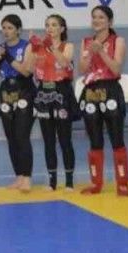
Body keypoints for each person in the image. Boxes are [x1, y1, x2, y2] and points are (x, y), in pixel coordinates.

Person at [77, 6, 128, 196]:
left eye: (101, 17)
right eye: (94, 17)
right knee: (95, 140)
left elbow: (116, 69)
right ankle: (96, 183)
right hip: (91, 92)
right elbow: (82, 69)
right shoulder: (86, 42)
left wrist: (101, 51)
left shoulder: (118, 41)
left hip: (110, 91)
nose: (97, 20)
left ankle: (122, 183)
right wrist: (91, 52)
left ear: (110, 21)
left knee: (117, 139)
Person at [28, 14, 77, 191]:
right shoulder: (39, 47)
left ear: (62, 29)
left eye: (54, 25)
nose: (50, 28)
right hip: (43, 93)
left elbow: (64, 62)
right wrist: (32, 49)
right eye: (47, 25)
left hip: (61, 92)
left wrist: (51, 48)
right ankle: (52, 181)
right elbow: (29, 69)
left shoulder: (68, 46)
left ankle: (69, 181)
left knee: (65, 139)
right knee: (48, 140)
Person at [0, 14, 33, 192]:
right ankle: (19, 176)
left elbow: (26, 71)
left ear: (18, 30)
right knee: (11, 137)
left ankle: (27, 177)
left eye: (10, 28)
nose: (6, 31)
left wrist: (8, 57)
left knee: (22, 135)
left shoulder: (27, 46)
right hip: (6, 90)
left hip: (24, 89)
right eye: (4, 28)